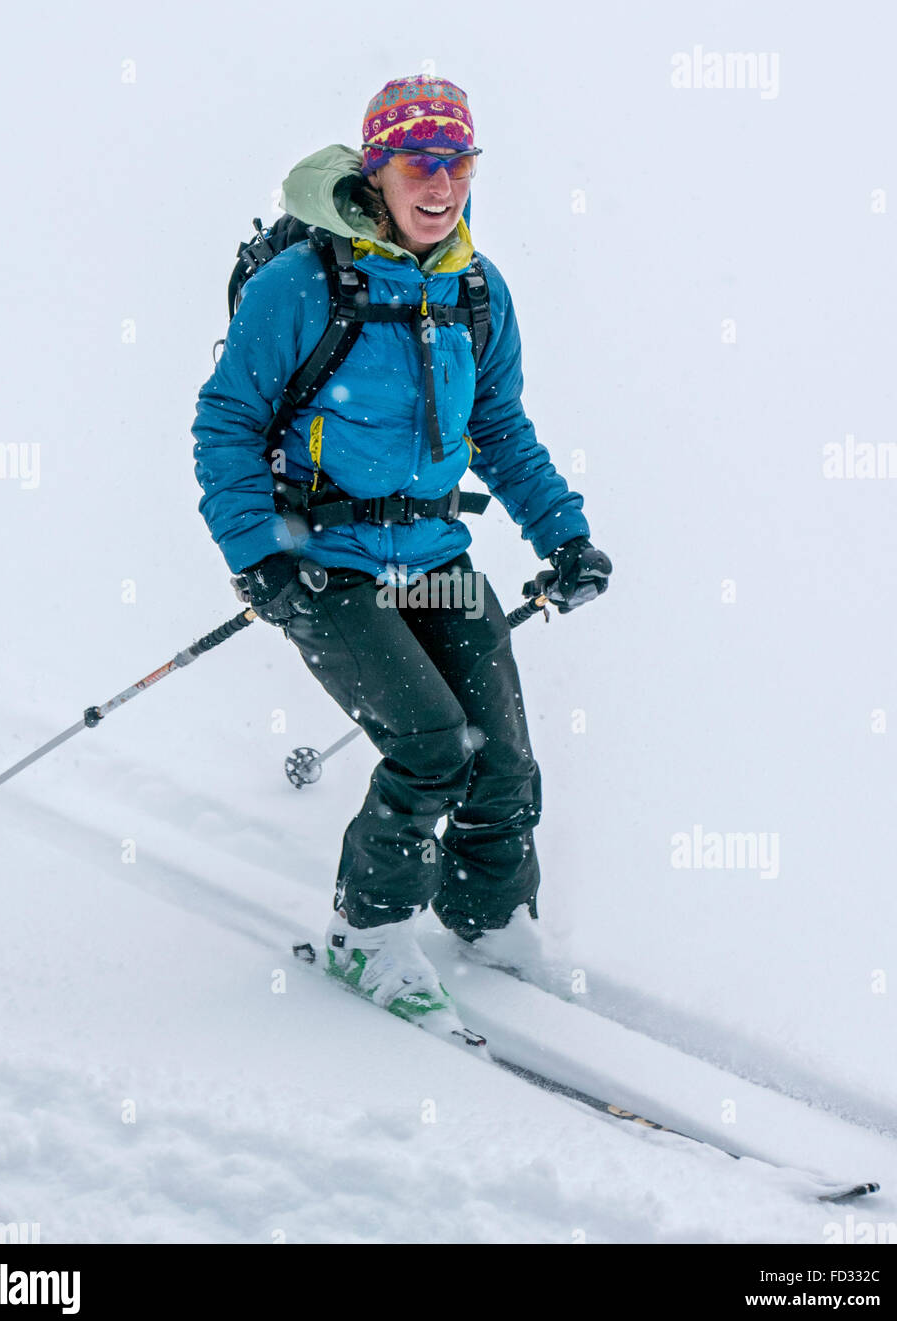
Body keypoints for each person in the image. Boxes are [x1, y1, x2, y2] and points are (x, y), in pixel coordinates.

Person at [192, 75, 611, 1031]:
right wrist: (260, 553)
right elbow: (227, 422)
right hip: (322, 557)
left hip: (432, 549)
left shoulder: (474, 285)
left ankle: (489, 923)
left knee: (501, 759)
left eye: (459, 161)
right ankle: (365, 935)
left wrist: (565, 534)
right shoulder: (298, 286)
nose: (443, 183)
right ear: (375, 170)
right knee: (430, 748)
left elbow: (498, 426)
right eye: (421, 162)